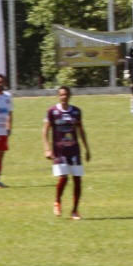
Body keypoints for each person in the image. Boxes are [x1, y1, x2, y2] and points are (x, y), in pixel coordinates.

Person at [42, 86, 91, 221]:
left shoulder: (76, 112)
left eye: (66, 94)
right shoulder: (52, 111)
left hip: (74, 150)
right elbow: (45, 131)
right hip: (59, 151)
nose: (64, 97)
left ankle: (75, 211)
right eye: (61, 95)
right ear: (58, 96)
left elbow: (81, 131)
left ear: (70, 96)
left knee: (77, 180)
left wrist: (87, 149)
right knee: (63, 177)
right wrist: (47, 149)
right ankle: (57, 201)